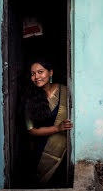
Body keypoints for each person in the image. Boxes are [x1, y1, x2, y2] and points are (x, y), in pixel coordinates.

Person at [24, 59, 73, 187]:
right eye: (32, 74)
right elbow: (31, 130)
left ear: (50, 73)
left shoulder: (65, 91)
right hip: (41, 151)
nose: (36, 77)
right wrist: (57, 128)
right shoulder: (30, 98)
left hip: (63, 149)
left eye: (40, 72)